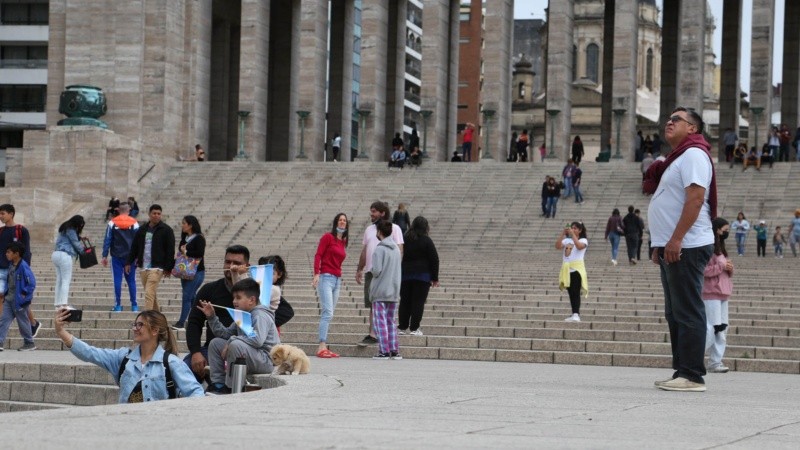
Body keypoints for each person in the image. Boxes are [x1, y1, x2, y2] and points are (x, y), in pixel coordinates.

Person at [644, 106, 716, 392]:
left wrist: (675, 240)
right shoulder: (678, 158)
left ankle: (692, 375)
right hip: (673, 245)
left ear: (693, 128)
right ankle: (682, 371)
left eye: (677, 119)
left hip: (688, 244)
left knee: (687, 310)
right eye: (668, 118)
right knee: (675, 313)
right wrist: (660, 244)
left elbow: (695, 199)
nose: (669, 122)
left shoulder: (694, 154)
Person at [54, 308, 203, 402]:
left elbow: (196, 393)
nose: (135, 328)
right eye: (134, 324)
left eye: (140, 325)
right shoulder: (123, 358)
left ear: (154, 331)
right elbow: (90, 353)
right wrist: (61, 332)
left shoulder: (171, 363)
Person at [197, 278, 280, 394]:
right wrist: (211, 317)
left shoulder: (260, 315)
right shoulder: (243, 315)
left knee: (235, 344)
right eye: (234, 297)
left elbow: (257, 340)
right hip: (252, 355)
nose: (234, 301)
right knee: (215, 343)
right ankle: (218, 384)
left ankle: (230, 387)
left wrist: (231, 340)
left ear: (252, 300)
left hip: (266, 360)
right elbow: (225, 334)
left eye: (238, 297)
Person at [184, 245, 249, 382]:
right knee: (183, 369)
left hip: (245, 350)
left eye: (237, 263)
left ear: (246, 266)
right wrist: (195, 352)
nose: (231, 266)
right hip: (212, 349)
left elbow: (281, 311)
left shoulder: (256, 292)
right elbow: (194, 322)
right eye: (228, 262)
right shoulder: (209, 290)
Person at [355, 201, 404, 347]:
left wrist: (395, 269)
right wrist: (359, 268)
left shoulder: (394, 228)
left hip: (388, 273)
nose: (371, 214)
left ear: (383, 213)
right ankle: (373, 334)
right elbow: (365, 250)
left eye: (374, 211)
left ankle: (384, 336)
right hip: (372, 271)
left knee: (386, 305)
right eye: (371, 211)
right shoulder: (369, 229)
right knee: (372, 303)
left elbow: (400, 249)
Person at [126, 204, 175, 311]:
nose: (156, 215)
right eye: (154, 213)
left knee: (149, 293)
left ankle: (147, 317)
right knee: (151, 294)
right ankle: (157, 316)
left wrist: (169, 267)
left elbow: (170, 250)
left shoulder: (167, 230)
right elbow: (134, 247)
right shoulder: (142, 229)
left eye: (159, 214)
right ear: (149, 214)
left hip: (157, 267)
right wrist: (128, 262)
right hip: (144, 266)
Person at [0, 204, 39, 337]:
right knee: (1, 296)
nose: (0, 216)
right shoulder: (1, 231)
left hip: (16, 270)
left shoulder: (21, 230)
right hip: (2, 269)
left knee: (19, 300)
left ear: (11, 214)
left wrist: (24, 268)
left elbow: (26, 251)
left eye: (3, 213)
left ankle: (33, 323)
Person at [313, 214, 348, 358]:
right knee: (327, 312)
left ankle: (324, 346)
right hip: (326, 277)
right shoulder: (328, 237)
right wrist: (316, 273)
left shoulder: (343, 241)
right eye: (340, 220)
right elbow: (318, 255)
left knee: (330, 313)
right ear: (336, 222)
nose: (342, 222)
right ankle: (321, 346)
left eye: (344, 220)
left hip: (337, 280)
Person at [398, 216, 439, 336]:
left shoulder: (405, 238)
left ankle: (402, 327)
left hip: (405, 275)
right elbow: (434, 259)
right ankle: (414, 328)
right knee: (418, 302)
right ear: (426, 227)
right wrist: (435, 278)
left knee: (405, 301)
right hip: (422, 276)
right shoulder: (427, 240)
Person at [702, 217, 733, 374]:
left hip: (723, 292)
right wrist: (721, 265)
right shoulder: (708, 248)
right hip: (710, 293)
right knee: (711, 327)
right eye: (725, 230)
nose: (727, 233)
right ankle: (694, 357)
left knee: (722, 329)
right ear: (717, 230)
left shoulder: (722, 250)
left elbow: (722, 269)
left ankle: (715, 361)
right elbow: (702, 270)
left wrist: (729, 268)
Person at [369, 220, 402, 359]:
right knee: (391, 321)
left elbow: (376, 271)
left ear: (379, 232)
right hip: (393, 290)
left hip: (380, 291)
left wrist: (371, 269)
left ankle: (383, 350)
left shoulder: (379, 249)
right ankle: (394, 350)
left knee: (380, 322)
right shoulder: (396, 249)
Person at [102, 202, 139, 312]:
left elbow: (107, 240)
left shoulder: (112, 223)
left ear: (118, 210)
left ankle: (117, 305)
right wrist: (138, 256)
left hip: (116, 256)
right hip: (131, 257)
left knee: (117, 280)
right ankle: (134, 305)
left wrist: (104, 255)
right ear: (129, 210)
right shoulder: (134, 223)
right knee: (131, 281)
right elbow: (139, 240)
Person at [0, 242, 36, 351]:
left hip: (19, 301)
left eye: (9, 252)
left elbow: (32, 283)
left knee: (23, 322)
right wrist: (5, 293)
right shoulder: (11, 265)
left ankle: (29, 343)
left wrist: (24, 294)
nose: (6, 254)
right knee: (3, 321)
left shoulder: (24, 266)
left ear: (16, 254)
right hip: (9, 299)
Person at [173, 215, 206, 330]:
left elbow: (200, 253)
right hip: (185, 271)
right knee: (192, 297)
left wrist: (186, 252)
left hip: (196, 272)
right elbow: (180, 251)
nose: (182, 225)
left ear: (190, 225)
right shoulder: (185, 238)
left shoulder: (199, 238)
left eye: (184, 223)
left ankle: (181, 323)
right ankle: (201, 318)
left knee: (186, 296)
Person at [51, 215, 86, 309]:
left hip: (56, 254)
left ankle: (58, 303)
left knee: (59, 280)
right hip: (65, 255)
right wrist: (84, 252)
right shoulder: (71, 230)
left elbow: (70, 239)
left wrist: (79, 238)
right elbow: (75, 243)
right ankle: (64, 304)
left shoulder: (64, 228)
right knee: (66, 280)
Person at [557, 221, 589, 322]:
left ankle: (576, 314)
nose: (573, 230)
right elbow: (557, 246)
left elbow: (579, 246)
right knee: (571, 292)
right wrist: (563, 233)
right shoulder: (567, 240)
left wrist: (573, 235)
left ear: (580, 230)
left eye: (575, 228)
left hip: (577, 270)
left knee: (575, 292)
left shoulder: (583, 240)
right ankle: (574, 313)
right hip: (567, 270)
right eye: (572, 228)